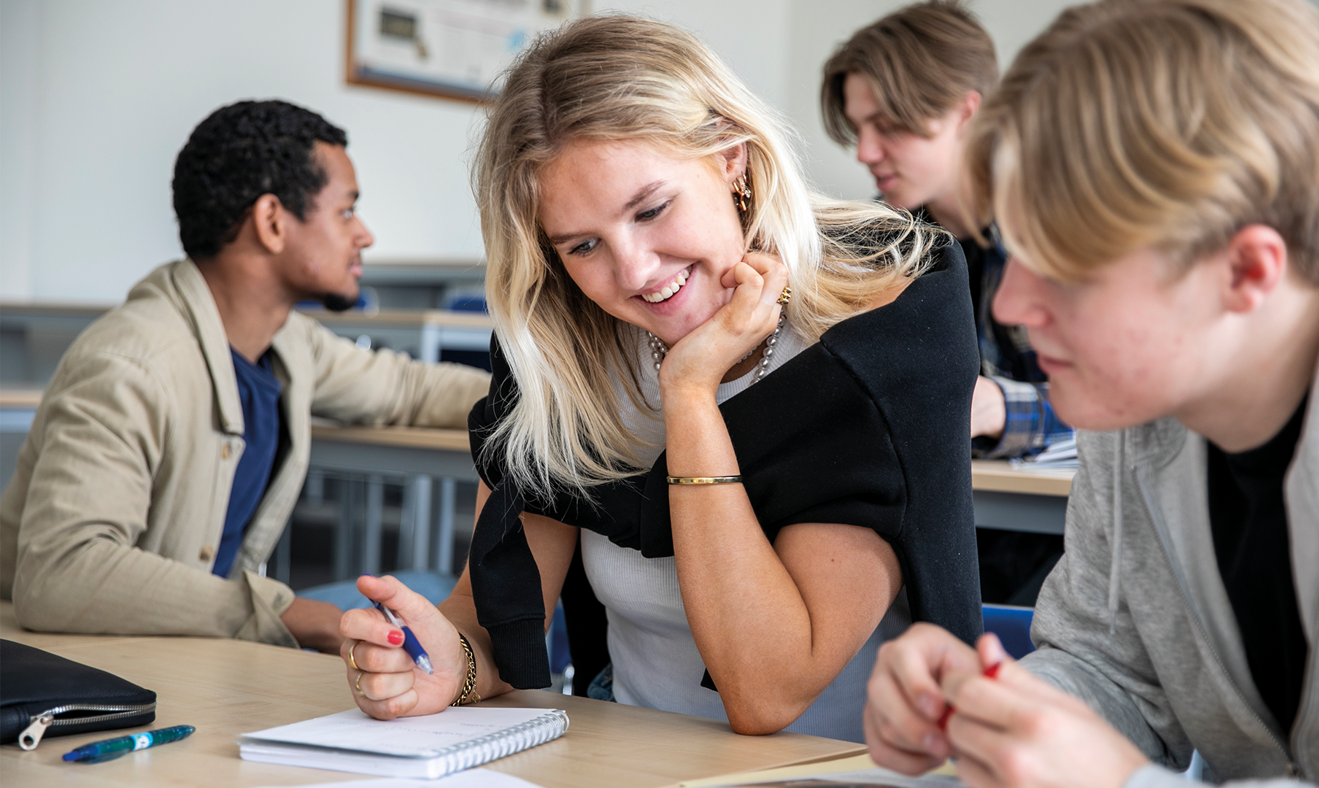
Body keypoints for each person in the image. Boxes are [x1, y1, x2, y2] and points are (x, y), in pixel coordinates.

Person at [338, 15, 983, 742]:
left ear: (730, 157)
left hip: (845, 763)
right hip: (630, 752)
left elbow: (766, 691)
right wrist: (440, 662)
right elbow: (494, 627)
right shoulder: (562, 341)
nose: (636, 272)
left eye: (652, 208)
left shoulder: (882, 320)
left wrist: (690, 390)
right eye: (583, 245)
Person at [862, 0, 1319, 786]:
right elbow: (1112, 672)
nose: (1009, 307)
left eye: (1067, 267)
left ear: (1246, 271)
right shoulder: (1134, 403)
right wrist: (990, 707)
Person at [0, 100, 491, 654]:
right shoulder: (129, 365)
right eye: (346, 212)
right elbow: (62, 573)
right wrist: (287, 613)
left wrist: (546, 399)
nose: (365, 235)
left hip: (202, 633)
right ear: (273, 222)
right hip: (104, 655)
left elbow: (405, 389)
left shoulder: (284, 341)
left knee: (428, 592)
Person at [822, 1, 1067, 607]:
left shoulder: (1069, 229)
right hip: (950, 540)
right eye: (859, 130)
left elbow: (1138, 415)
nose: (866, 152)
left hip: (1061, 558)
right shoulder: (887, 245)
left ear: (965, 111)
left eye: (889, 126)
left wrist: (999, 410)